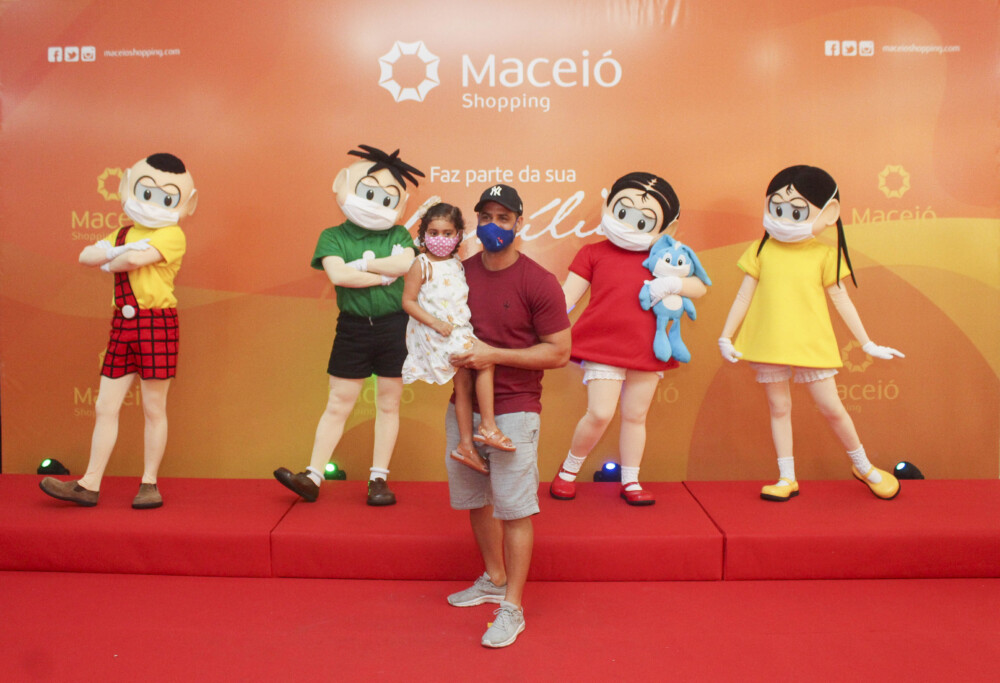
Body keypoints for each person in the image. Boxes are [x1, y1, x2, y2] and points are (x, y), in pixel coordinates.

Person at [718, 164, 904, 501]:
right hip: (768, 340)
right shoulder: (761, 250)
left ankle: (863, 466)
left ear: (829, 213)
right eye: (776, 208)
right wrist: (725, 336)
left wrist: (867, 343)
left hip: (810, 342)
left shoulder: (824, 254)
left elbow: (841, 299)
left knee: (832, 407)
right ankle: (786, 477)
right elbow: (744, 296)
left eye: (795, 211)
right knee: (778, 408)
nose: (783, 218)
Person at [444, 184, 571, 648]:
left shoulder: (539, 281)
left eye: (503, 217)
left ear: (520, 223)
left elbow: (559, 352)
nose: (493, 225)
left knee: (514, 510)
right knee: (476, 501)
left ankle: (512, 607)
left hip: (516, 410)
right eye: (486, 217)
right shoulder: (458, 274)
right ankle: (494, 579)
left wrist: (494, 354)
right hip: (463, 410)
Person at [40, 153, 197, 509]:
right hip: (122, 325)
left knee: (153, 407)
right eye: (146, 192)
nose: (152, 203)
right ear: (128, 186)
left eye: (166, 197)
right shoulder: (123, 233)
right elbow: (86, 256)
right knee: (104, 405)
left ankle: (149, 483)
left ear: (186, 202)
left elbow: (131, 260)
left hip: (157, 323)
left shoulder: (172, 234)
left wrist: (112, 257)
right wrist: (122, 248)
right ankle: (89, 484)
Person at [273, 145, 422, 506]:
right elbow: (339, 276)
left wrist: (362, 266)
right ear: (342, 184)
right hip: (353, 328)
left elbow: (405, 265)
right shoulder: (332, 235)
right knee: (339, 402)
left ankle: (378, 479)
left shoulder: (400, 235)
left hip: (395, 327)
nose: (375, 203)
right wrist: (381, 274)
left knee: (389, 404)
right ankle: (313, 475)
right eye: (369, 192)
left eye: (387, 198)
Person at [549, 173, 708, 506]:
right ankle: (568, 471)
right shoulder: (592, 253)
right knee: (599, 413)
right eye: (622, 211)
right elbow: (567, 298)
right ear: (608, 205)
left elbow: (699, 286)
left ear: (668, 227)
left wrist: (673, 284)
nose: (628, 224)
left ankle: (631, 480)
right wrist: (538, 328)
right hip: (602, 346)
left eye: (643, 219)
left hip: (648, 348)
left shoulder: (664, 257)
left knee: (636, 416)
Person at [401, 202, 515, 476]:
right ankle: (488, 426)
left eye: (447, 233)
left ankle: (465, 445)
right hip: (438, 333)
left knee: (463, 385)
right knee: (485, 360)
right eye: (434, 233)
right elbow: (408, 301)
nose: (440, 239)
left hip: (456, 330)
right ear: (424, 234)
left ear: (459, 235)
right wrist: (436, 323)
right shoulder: (421, 264)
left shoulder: (456, 264)